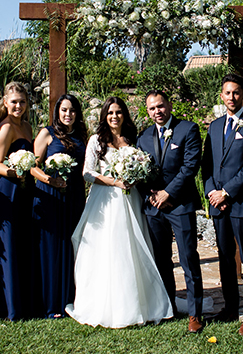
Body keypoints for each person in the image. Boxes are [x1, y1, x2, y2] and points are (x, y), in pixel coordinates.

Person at [67, 96, 174, 328]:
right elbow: (87, 173)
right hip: (106, 202)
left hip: (131, 200)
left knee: (132, 247)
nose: (114, 116)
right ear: (104, 116)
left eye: (118, 112)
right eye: (110, 113)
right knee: (108, 248)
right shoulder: (97, 140)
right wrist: (114, 182)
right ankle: (107, 304)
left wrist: (136, 177)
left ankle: (139, 303)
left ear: (124, 114)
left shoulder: (132, 139)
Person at [202, 73, 243, 335]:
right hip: (217, 204)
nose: (232, 97)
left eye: (237, 92)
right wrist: (211, 193)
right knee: (226, 258)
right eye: (227, 92)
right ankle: (230, 308)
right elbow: (206, 164)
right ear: (221, 95)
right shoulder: (215, 126)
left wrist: (226, 192)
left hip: (239, 203)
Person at [137, 89, 204, 333]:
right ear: (148, 111)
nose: (158, 111)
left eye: (161, 106)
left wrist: (169, 194)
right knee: (161, 260)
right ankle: (168, 307)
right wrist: (152, 196)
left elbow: (190, 167)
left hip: (180, 204)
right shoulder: (143, 137)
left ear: (169, 105)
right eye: (153, 108)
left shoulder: (188, 129)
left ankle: (195, 313)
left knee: (188, 258)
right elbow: (139, 171)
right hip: (154, 209)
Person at [32, 94, 89, 319]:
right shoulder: (47, 133)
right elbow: (32, 166)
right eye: (64, 110)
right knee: (52, 247)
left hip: (74, 195)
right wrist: (50, 180)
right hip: (50, 195)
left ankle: (70, 298)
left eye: (72, 110)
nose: (68, 114)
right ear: (57, 111)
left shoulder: (81, 135)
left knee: (71, 245)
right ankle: (50, 302)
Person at [0, 82, 35, 320]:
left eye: (22, 102)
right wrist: (13, 172)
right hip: (8, 190)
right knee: (9, 244)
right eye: (14, 102)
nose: (18, 106)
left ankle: (25, 300)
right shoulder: (5, 128)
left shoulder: (27, 126)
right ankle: (10, 307)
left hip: (25, 190)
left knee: (22, 242)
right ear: (5, 102)